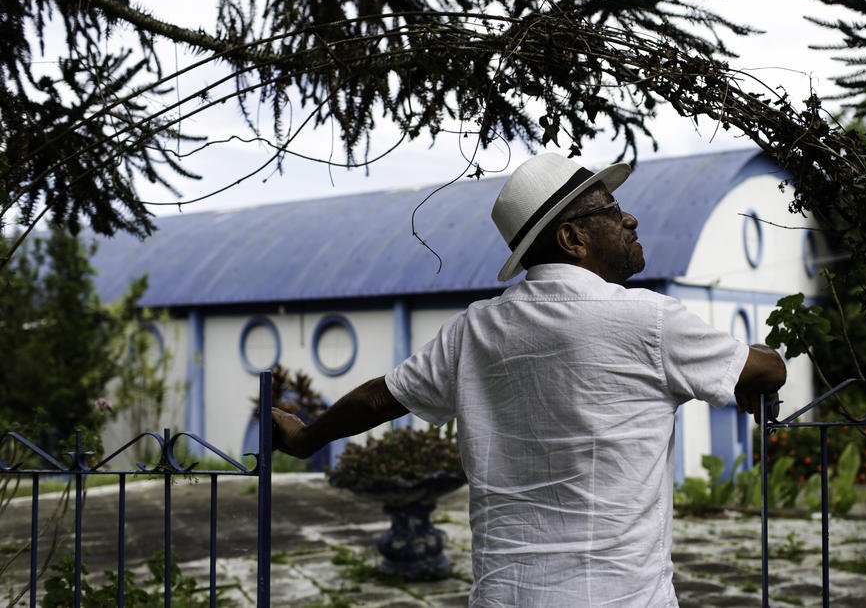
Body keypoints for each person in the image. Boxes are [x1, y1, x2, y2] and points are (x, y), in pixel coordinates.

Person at [272, 152, 786, 606]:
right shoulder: (650, 321)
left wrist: (304, 437)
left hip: (504, 594)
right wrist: (751, 366)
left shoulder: (474, 329)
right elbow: (769, 368)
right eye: (610, 210)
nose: (629, 218)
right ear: (572, 238)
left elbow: (380, 398)